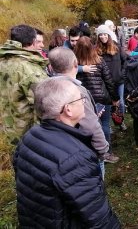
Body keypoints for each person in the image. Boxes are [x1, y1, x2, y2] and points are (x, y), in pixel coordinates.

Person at [13, 77, 120, 228]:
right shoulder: (76, 158)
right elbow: (97, 217)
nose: (84, 102)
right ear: (68, 109)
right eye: (80, 98)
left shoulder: (29, 137)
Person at [48, 47, 109, 175]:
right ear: (76, 64)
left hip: (59, 148)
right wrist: (102, 150)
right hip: (83, 148)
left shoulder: (47, 88)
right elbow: (91, 125)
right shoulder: (76, 91)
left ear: (51, 67)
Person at [74, 36, 120, 163]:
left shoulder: (74, 65)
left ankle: (89, 152)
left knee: (86, 126)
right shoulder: (99, 61)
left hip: (83, 100)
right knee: (104, 125)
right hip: (102, 98)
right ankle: (107, 153)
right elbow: (109, 81)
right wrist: (115, 98)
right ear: (92, 47)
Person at [0, 24, 48, 145]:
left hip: (5, 131)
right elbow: (43, 106)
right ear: (32, 41)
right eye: (38, 41)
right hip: (25, 137)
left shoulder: (3, 61)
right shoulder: (30, 69)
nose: (42, 45)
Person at [96, 24, 128, 131]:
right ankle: (107, 124)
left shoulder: (117, 47)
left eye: (105, 34)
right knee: (107, 103)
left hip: (118, 81)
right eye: (100, 35)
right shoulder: (97, 50)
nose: (103, 37)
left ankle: (120, 121)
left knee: (120, 103)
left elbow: (126, 61)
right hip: (105, 83)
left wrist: (122, 74)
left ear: (109, 35)